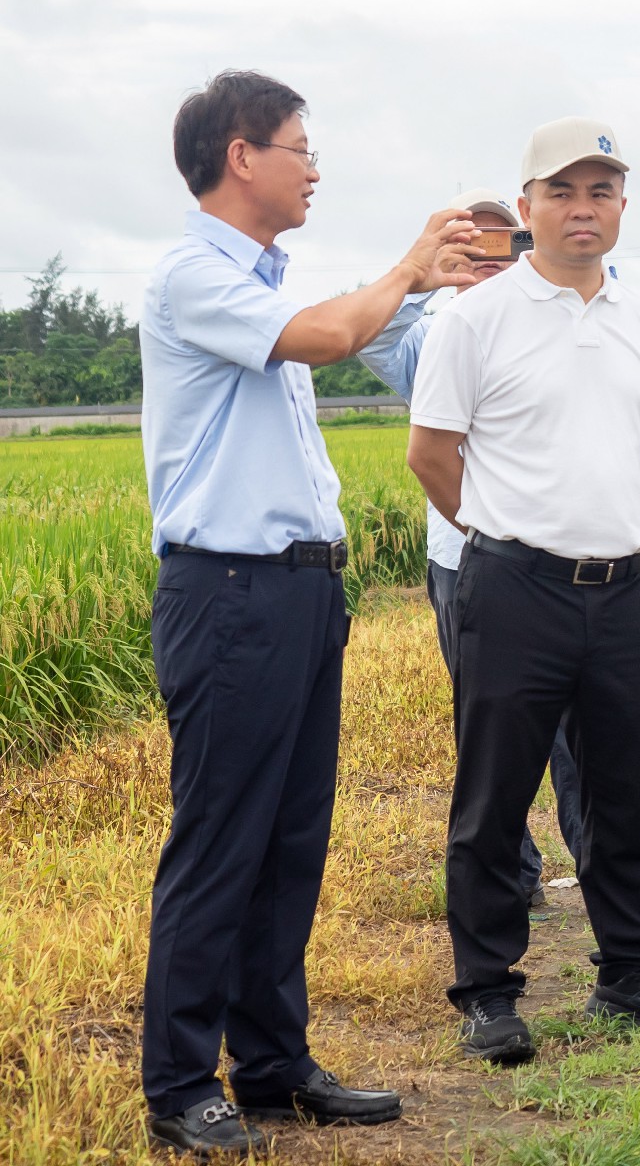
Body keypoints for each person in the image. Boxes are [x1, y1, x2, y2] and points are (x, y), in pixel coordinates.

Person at [138, 69, 476, 1155]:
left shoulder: (262, 281)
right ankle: (180, 1082)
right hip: (231, 592)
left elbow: (344, 330)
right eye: (302, 148)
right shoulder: (197, 275)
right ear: (243, 156)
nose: (315, 169)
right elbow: (332, 337)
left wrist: (426, 287)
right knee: (221, 841)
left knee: (289, 842)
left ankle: (274, 1063)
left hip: (295, 592)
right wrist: (410, 266)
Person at [408, 116, 640, 1065]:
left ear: (621, 205)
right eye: (562, 192)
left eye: (601, 192)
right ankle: (488, 992)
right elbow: (432, 454)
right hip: (514, 587)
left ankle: (632, 972)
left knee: (622, 792)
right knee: (494, 799)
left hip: (625, 591)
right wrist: (505, 535)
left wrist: (597, 524)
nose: (583, 209)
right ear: (527, 205)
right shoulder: (473, 317)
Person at [358, 189, 584, 908]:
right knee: (490, 725)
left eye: (501, 241)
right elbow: (373, 340)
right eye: (470, 243)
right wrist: (423, 278)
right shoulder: (435, 334)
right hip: (464, 559)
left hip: (561, 554)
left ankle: (599, 866)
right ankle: (514, 876)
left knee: (577, 726)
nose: (488, 256)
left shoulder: (560, 318)